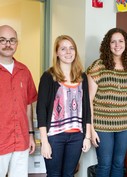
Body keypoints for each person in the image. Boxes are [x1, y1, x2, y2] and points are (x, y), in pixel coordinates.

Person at [87, 28, 127, 177]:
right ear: (108, 45)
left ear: (126, 44)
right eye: (113, 41)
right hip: (102, 124)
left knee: (119, 164)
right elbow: (89, 100)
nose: (117, 45)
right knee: (104, 164)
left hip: (125, 126)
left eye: (120, 41)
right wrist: (91, 129)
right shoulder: (98, 67)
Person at [36, 35, 91, 177]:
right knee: (54, 175)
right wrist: (44, 142)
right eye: (63, 48)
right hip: (54, 136)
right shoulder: (49, 76)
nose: (68, 52)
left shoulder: (82, 77)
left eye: (71, 48)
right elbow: (41, 110)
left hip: (77, 136)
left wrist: (87, 137)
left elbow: (86, 109)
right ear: (57, 53)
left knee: (69, 174)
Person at [0, 25, 37, 177]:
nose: (8, 44)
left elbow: (28, 105)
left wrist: (30, 135)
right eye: (3, 40)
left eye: (12, 40)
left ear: (17, 44)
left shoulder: (24, 71)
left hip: (21, 140)